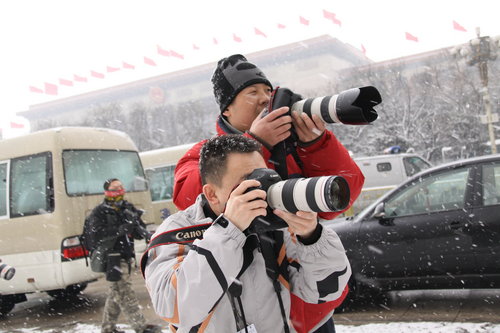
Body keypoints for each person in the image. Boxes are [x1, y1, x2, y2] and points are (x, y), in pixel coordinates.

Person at [172, 54, 364, 332]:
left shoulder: (294, 147)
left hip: (308, 302)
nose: (264, 99)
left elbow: (341, 197)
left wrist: (316, 143)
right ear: (227, 109)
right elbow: (189, 197)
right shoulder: (206, 153)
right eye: (252, 92)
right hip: (253, 306)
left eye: (267, 91)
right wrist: (254, 143)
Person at [143, 135, 351, 332]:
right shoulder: (178, 232)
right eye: (249, 182)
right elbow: (174, 307)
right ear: (212, 194)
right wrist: (229, 230)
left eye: (264, 176)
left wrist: (311, 237)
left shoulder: (277, 225)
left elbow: (325, 290)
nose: (262, 189)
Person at [86, 178, 161, 333]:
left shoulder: (127, 207)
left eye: (121, 187)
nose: (119, 191)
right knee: (125, 292)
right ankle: (140, 327)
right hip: (111, 257)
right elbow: (96, 234)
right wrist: (121, 228)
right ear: (106, 191)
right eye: (115, 188)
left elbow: (139, 230)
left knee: (116, 293)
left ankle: (107, 328)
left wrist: (140, 230)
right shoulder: (100, 212)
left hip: (126, 255)